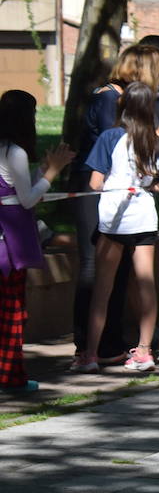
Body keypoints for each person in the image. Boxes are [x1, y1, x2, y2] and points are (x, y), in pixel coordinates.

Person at [73, 83, 159, 373]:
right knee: (145, 284)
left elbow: (94, 183)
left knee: (103, 289)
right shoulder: (155, 141)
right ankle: (144, 351)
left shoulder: (109, 137)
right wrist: (146, 181)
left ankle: (90, 354)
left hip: (113, 221)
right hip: (143, 221)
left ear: (123, 106)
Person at [70, 44, 159, 365]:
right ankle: (136, 348)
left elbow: (102, 176)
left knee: (109, 283)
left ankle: (97, 351)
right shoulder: (146, 134)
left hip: (116, 215)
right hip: (132, 217)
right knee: (132, 279)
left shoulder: (117, 135)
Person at [0, 90, 74, 393]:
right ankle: (10, 377)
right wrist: (53, 172)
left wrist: (42, 171)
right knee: (13, 309)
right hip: (10, 240)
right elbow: (28, 199)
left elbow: (15, 187)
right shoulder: (13, 150)